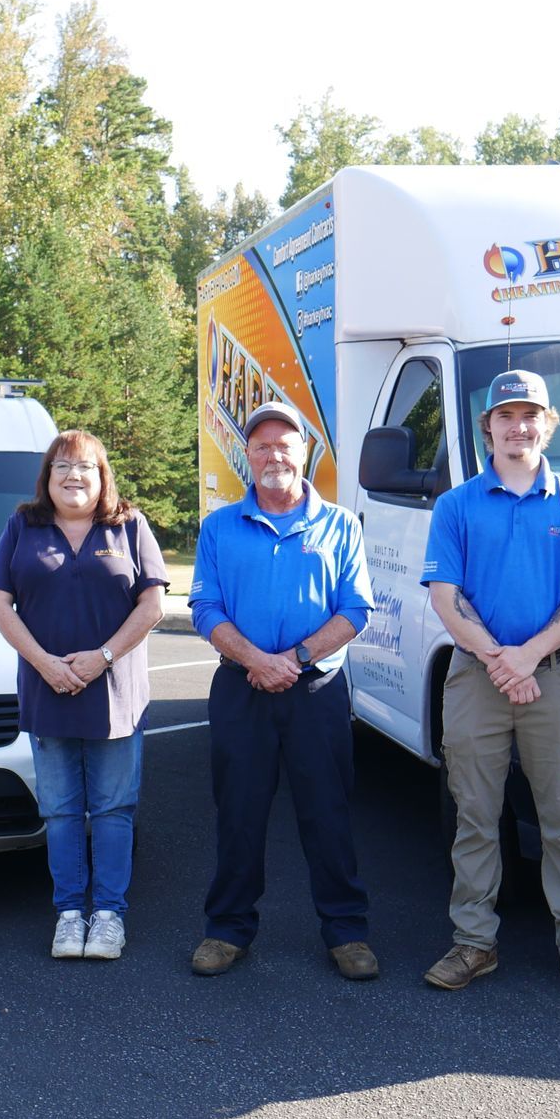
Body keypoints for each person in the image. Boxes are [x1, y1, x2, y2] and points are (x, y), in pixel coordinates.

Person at [421, 370, 560, 999]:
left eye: (530, 414)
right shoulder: (456, 505)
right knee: (476, 817)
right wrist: (501, 661)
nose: (518, 425)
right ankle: (473, 943)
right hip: (477, 679)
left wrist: (527, 657)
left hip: (553, 678)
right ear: (489, 427)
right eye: (506, 415)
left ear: (549, 423)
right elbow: (445, 598)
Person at [186, 401, 377, 981]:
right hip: (241, 687)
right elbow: (204, 607)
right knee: (239, 813)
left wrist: (293, 659)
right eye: (262, 445)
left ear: (305, 453)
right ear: (248, 456)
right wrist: (255, 660)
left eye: (285, 444)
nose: (273, 455)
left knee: (328, 813)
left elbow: (356, 609)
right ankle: (228, 928)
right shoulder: (220, 527)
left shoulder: (340, 525)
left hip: (315, 689)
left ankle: (346, 933)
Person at [0, 430, 168, 961]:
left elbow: (152, 606)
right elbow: (0, 606)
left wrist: (102, 658)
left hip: (113, 692)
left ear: (102, 475)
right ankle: (69, 914)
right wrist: (44, 663)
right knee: (63, 811)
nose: (73, 476)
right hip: (48, 690)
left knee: (113, 809)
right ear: (47, 476)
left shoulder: (129, 525)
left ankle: (108, 915)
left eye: (85, 467)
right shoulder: (23, 526)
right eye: (62, 466)